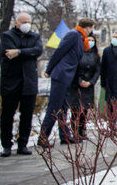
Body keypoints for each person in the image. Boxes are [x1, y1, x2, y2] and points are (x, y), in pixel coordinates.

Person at [39, 18, 95, 147]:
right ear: (88, 27)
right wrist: (49, 69)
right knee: (54, 107)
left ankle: (64, 135)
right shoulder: (73, 35)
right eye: (91, 28)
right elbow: (59, 51)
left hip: (68, 76)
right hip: (61, 75)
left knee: (63, 108)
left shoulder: (79, 37)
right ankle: (43, 137)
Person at [0, 12, 43, 156]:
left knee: (27, 116)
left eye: (29, 21)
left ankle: (22, 144)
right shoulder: (7, 36)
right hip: (11, 82)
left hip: (29, 82)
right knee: (7, 115)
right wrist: (25, 53)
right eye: (23, 21)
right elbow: (9, 53)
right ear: (16, 23)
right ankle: (6, 144)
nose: (26, 24)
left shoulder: (35, 36)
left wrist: (19, 51)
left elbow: (37, 51)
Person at [66, 34, 100, 143]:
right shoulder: (78, 53)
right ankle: (74, 132)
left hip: (89, 86)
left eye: (92, 40)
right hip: (77, 86)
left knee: (84, 110)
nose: (90, 42)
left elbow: (97, 71)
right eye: (88, 40)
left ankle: (82, 131)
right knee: (75, 110)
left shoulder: (96, 56)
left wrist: (91, 82)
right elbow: (74, 68)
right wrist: (79, 81)